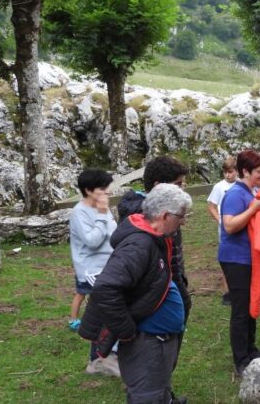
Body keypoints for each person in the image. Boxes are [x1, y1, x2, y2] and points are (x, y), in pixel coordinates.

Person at [79, 183, 192, 403]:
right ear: (165, 215)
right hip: (147, 343)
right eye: (181, 216)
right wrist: (126, 330)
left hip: (156, 342)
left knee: (157, 388)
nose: (183, 221)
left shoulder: (154, 237)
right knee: (146, 395)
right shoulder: (139, 246)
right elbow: (104, 288)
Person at [116, 156, 190, 402]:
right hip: (155, 311)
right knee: (153, 357)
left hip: (171, 293)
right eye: (178, 185)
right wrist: (125, 329)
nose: (183, 190)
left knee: (164, 359)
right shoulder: (145, 225)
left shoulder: (161, 215)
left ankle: (164, 394)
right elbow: (110, 286)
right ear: (159, 186)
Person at [218, 149, 260, 376]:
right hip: (235, 259)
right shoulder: (235, 194)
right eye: (259, 171)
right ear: (246, 171)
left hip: (249, 258)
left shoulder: (251, 191)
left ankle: (251, 348)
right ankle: (240, 360)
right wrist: (254, 209)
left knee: (251, 305)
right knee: (240, 310)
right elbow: (229, 225)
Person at [68, 169, 119, 376]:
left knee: (110, 311)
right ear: (88, 190)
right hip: (91, 269)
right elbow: (92, 241)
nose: (107, 192)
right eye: (102, 188)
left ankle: (106, 356)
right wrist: (101, 215)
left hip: (109, 266)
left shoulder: (102, 208)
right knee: (105, 312)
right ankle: (99, 360)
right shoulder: (79, 212)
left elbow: (113, 233)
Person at [207, 157, 238, 306]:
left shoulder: (241, 186)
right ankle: (227, 292)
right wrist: (220, 220)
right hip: (224, 232)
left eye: (230, 172)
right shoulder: (219, 187)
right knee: (226, 261)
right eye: (225, 172)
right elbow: (211, 206)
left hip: (239, 229)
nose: (227, 175)